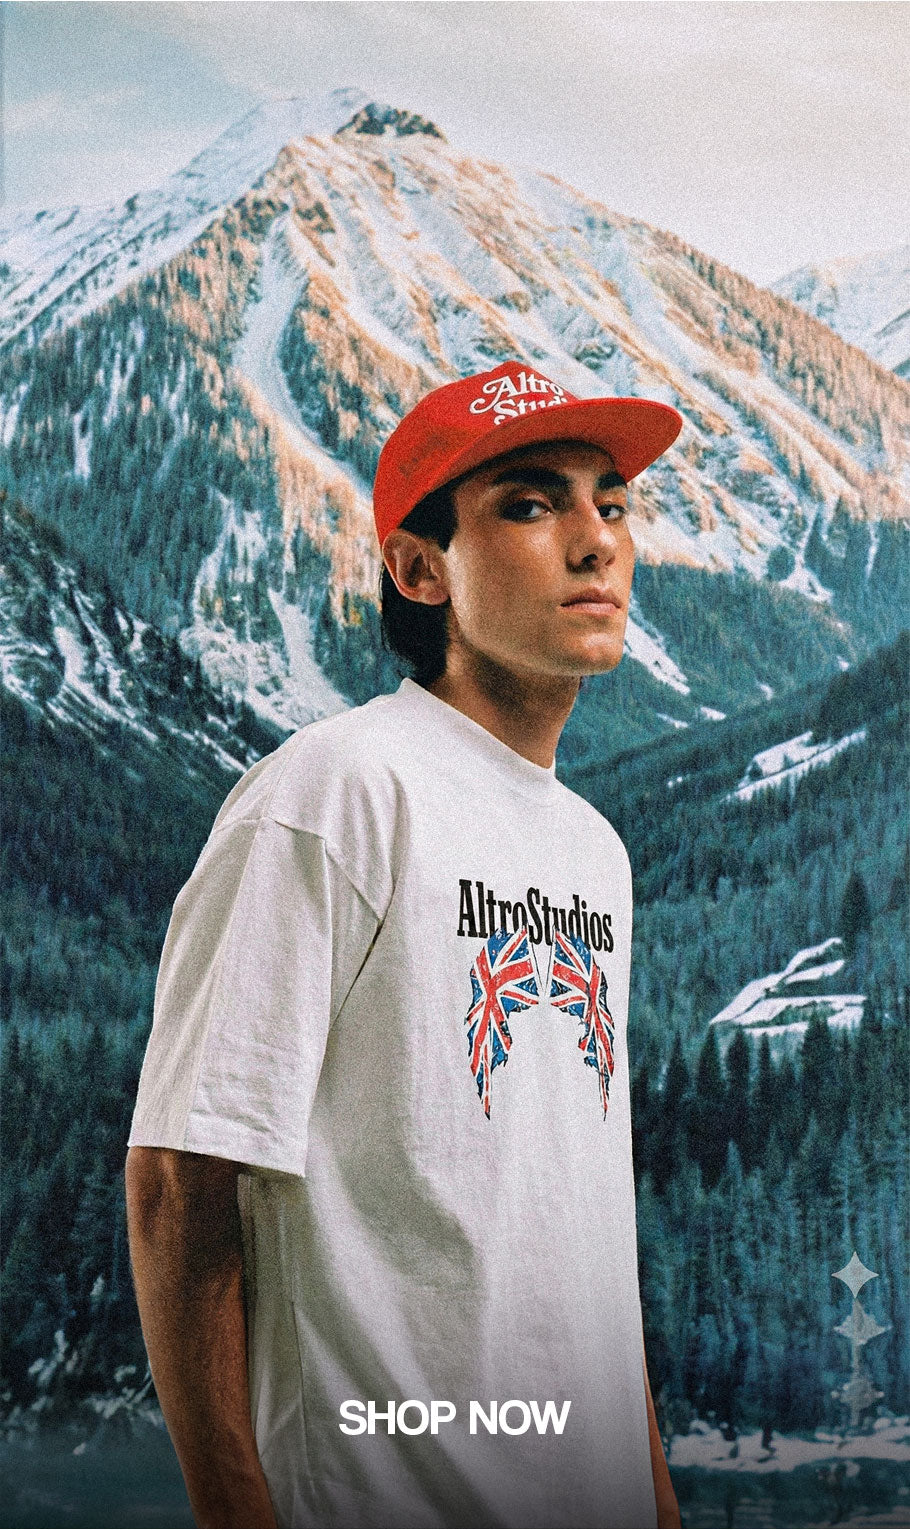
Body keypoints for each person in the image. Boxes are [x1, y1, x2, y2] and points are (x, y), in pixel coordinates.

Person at [125, 359, 683, 1530]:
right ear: (420, 569)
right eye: (529, 506)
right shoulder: (336, 792)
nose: (596, 541)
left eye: (612, 503)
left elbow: (577, 1209)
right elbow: (181, 1179)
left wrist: (653, 1491)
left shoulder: (593, 851)